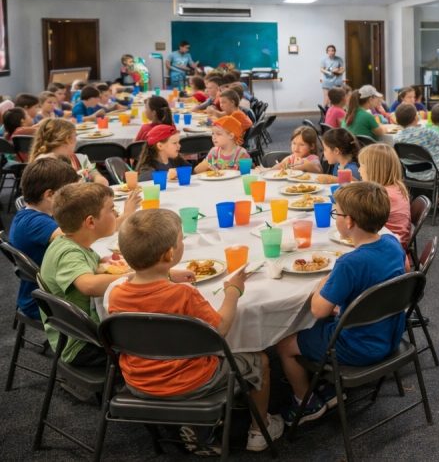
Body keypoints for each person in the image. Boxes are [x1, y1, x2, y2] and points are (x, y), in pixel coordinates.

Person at [108, 209, 283, 452]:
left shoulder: (117, 293)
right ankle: (260, 430)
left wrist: (166, 275)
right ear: (170, 253)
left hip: (138, 382)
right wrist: (233, 291)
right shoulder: (184, 294)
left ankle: (197, 429)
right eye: (181, 240)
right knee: (261, 360)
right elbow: (220, 327)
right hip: (193, 382)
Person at [275, 182, 406, 425]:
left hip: (358, 347)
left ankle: (306, 403)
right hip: (390, 336)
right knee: (326, 319)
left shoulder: (349, 263)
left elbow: (317, 309)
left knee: (284, 344)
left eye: (336, 213)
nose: (334, 217)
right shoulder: (392, 244)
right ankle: (326, 386)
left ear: (349, 222)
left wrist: (321, 284)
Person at [40, 183, 178, 367]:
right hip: (83, 346)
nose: (116, 213)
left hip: (81, 334)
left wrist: (164, 273)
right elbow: (88, 285)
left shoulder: (70, 243)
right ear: (90, 222)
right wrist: (141, 274)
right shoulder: (68, 253)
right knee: (168, 334)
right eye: (112, 209)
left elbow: (96, 268)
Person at [9, 158, 82, 319]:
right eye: (69, 194)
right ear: (49, 195)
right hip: (46, 303)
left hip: (40, 292)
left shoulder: (31, 215)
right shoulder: (37, 223)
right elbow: (78, 240)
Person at [358, 144, 413, 268]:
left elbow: (360, 222)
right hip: (394, 244)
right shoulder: (395, 187)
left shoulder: (383, 195)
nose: (358, 170)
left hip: (387, 253)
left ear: (373, 169)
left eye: (361, 165)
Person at [30, 118, 108, 185]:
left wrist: (99, 179)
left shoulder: (79, 158)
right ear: (68, 139)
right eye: (75, 136)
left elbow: (98, 177)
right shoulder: (45, 164)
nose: (76, 140)